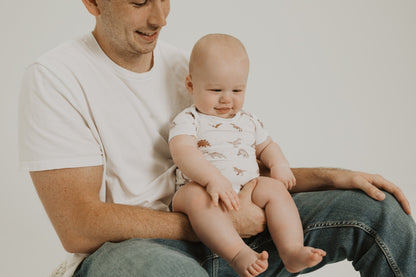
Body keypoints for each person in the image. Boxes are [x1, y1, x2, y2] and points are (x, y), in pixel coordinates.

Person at [18, 1, 415, 277]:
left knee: (377, 210)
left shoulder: (185, 65)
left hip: (235, 223)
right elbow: (79, 226)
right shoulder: (57, 77)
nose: (159, 17)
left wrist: (333, 177)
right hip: (136, 250)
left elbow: (235, 161)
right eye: (139, 1)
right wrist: (216, 226)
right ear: (92, 2)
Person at [169, 33, 326, 276]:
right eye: (215, 89)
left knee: (274, 189)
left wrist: (279, 165)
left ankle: (292, 251)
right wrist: (212, 179)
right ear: (191, 85)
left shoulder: (249, 120)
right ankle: (237, 253)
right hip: (199, 188)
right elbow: (182, 151)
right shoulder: (190, 119)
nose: (226, 99)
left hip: (246, 189)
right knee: (195, 198)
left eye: (236, 90)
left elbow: (267, 146)